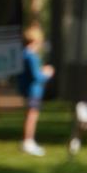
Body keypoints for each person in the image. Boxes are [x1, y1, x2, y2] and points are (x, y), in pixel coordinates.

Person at [19, 25, 54, 155]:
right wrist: (47, 73)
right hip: (34, 91)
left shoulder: (24, 54)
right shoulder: (31, 56)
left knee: (30, 115)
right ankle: (29, 141)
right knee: (32, 116)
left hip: (28, 90)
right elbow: (37, 76)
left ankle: (27, 140)